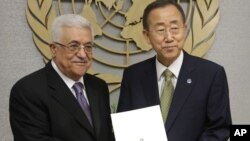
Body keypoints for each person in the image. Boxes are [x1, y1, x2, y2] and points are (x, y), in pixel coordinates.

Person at [117, 1, 231, 141]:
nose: (169, 37)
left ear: (185, 29)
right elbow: (126, 129)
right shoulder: (133, 76)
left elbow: (219, 130)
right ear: (147, 36)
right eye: (160, 30)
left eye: (175, 28)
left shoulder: (211, 75)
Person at [9, 14, 114, 141]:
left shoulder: (99, 86)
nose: (82, 54)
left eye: (88, 47)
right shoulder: (27, 91)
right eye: (73, 46)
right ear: (54, 49)